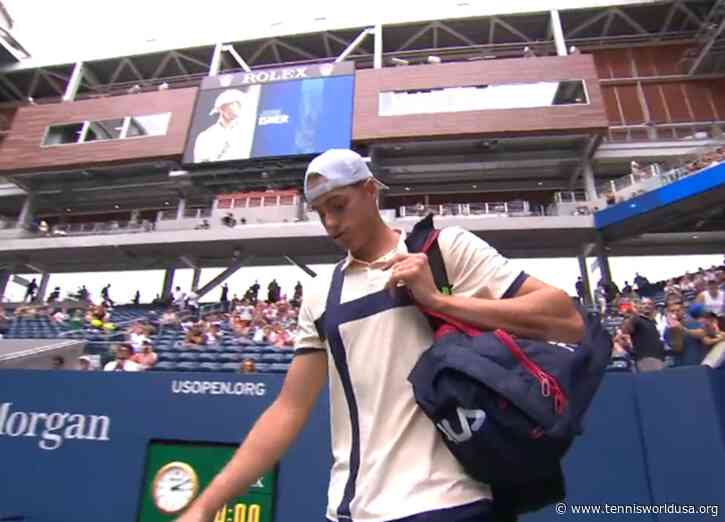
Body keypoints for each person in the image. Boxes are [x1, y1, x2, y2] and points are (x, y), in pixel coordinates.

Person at [176, 149, 584, 522]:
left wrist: (439, 302)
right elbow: (288, 410)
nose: (330, 223)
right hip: (350, 512)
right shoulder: (321, 294)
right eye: (320, 212)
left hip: (452, 504)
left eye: (338, 205)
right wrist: (207, 505)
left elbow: (567, 320)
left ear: (370, 191)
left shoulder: (446, 252)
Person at [193, 88, 256, 163]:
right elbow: (201, 163)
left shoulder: (247, 129)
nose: (237, 106)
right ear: (221, 109)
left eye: (239, 103)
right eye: (232, 104)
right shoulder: (205, 136)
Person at [622, 298, 665, 372]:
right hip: (646, 358)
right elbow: (626, 331)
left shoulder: (654, 321)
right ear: (639, 306)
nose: (646, 306)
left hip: (659, 357)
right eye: (644, 304)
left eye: (649, 304)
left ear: (653, 307)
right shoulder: (636, 319)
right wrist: (631, 316)